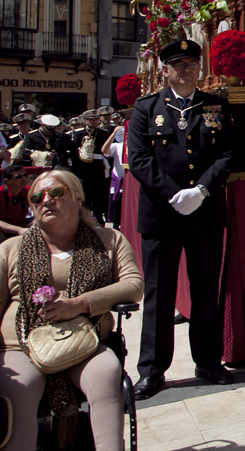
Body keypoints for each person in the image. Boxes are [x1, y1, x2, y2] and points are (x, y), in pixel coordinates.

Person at [0, 170, 143, 450]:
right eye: (36, 197)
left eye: (56, 193)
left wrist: (78, 305)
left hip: (84, 341)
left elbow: (133, 284)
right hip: (20, 345)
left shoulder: (108, 240)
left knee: (106, 372)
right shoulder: (10, 248)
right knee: (19, 389)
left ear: (77, 198)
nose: (46, 201)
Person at [127, 39, 235, 399]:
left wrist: (201, 192)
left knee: (205, 290)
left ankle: (208, 360)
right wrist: (174, 195)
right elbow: (140, 159)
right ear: (165, 70)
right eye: (179, 64)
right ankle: (152, 370)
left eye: (192, 63)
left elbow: (227, 154)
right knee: (159, 294)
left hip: (204, 213)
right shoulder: (147, 108)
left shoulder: (215, 106)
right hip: (162, 214)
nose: (187, 69)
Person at [71, 110, 110, 225]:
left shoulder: (103, 134)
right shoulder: (78, 134)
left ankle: (98, 215)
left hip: (97, 167)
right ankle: (84, 216)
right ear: (86, 121)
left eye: (95, 119)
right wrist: (76, 168)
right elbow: (74, 152)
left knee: (98, 192)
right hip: (83, 167)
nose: (94, 122)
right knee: (85, 193)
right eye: (91, 119)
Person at [0, 166, 29, 238]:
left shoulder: (30, 191)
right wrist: (18, 230)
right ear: (7, 181)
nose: (24, 179)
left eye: (25, 175)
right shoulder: (0, 193)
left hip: (23, 229)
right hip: (3, 232)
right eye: (19, 177)